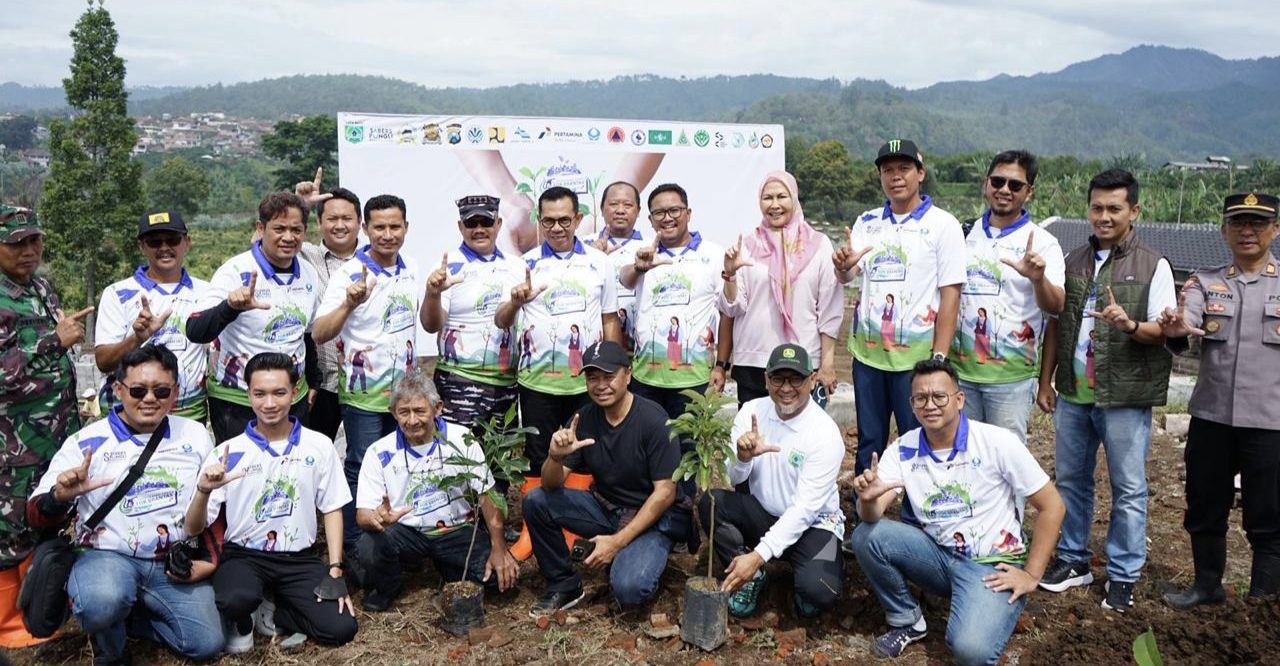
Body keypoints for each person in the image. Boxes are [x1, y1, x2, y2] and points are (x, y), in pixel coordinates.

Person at [849, 359, 1064, 665]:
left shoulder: (996, 442)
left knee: (971, 651)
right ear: (911, 404)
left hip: (990, 567)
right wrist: (868, 500)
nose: (930, 405)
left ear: (959, 400)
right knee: (867, 535)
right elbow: (872, 516)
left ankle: (990, 604)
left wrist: (1031, 574)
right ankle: (907, 619)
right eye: (921, 398)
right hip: (937, 556)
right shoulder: (903, 449)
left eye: (940, 396)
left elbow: (1052, 505)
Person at [28, 345, 222, 665]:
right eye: (137, 389)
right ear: (118, 390)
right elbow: (35, 513)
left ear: (175, 393)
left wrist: (211, 558)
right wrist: (59, 498)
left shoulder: (196, 435)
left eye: (161, 390)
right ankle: (110, 645)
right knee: (101, 602)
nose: (149, 399)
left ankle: (131, 614)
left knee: (206, 643)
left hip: (169, 560)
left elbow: (212, 505)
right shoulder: (87, 442)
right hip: (108, 557)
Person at [1036, 169, 1175, 613]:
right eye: (1097, 207)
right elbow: (1056, 325)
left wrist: (1130, 325)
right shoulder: (1073, 260)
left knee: (1128, 487)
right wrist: (1047, 380)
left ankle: (1123, 573)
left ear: (1134, 210)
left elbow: (1162, 329)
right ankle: (1075, 559)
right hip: (1075, 392)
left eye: (1115, 208)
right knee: (1071, 480)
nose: (1104, 216)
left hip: (1124, 396)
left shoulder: (1153, 265)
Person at [185, 352, 357, 653]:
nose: (269, 403)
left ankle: (276, 610)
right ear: (248, 393)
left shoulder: (319, 445)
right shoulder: (228, 451)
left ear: (295, 390)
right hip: (244, 555)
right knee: (235, 598)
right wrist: (203, 491)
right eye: (259, 393)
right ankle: (244, 616)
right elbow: (192, 528)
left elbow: (332, 508)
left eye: (279, 392)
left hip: (298, 558)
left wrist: (334, 569)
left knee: (341, 627)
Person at [1159, 192, 1280, 609]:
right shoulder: (1204, 281)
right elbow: (1186, 321)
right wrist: (1176, 326)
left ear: (1275, 230)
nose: (1248, 231)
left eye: (1258, 223)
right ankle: (1206, 585)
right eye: (1238, 223)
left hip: (1271, 422)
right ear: (1224, 230)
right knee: (1205, 504)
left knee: (1269, 513)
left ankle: (1264, 601)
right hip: (1212, 417)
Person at [522, 341, 690, 615]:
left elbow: (665, 493)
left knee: (630, 588)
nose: (601, 385)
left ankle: (637, 552)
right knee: (536, 500)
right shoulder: (584, 419)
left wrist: (618, 542)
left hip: (651, 518)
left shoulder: (654, 420)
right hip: (605, 509)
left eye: (609, 376)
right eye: (593, 378)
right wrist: (555, 457)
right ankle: (564, 584)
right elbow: (550, 485)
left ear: (628, 374)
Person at [835, 139, 967, 483]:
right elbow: (849, 275)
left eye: (904, 169)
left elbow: (950, 294)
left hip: (916, 362)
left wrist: (938, 358)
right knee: (870, 440)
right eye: (888, 170)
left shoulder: (943, 225)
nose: (896, 177)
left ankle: (920, 515)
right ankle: (867, 512)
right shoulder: (867, 222)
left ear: (920, 173)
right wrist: (842, 266)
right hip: (868, 359)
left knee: (921, 438)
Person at [353, 371, 519, 611]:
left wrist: (499, 548)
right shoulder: (379, 451)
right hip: (406, 531)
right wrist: (377, 518)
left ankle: (449, 567)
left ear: (437, 408)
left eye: (420, 411)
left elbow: (488, 496)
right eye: (404, 412)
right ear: (393, 413)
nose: (412, 420)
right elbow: (362, 513)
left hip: (456, 530)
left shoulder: (461, 439)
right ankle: (388, 586)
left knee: (500, 579)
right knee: (367, 550)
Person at [0, 205, 89, 647]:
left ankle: (41, 610)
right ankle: (8, 628)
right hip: (11, 442)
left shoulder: (40, 287)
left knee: (47, 517)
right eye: (16, 243)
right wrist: (56, 341)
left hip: (54, 433)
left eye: (34, 241)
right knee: (9, 527)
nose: (28, 250)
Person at [701, 343, 845, 618]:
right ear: (766, 379)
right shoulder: (751, 413)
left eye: (796, 379)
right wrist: (743, 457)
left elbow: (804, 510)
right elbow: (733, 479)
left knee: (820, 591)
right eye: (778, 378)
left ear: (812, 380)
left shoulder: (825, 434)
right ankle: (752, 578)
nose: (786, 388)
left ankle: (820, 565)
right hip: (765, 513)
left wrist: (757, 556)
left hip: (814, 525)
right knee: (712, 504)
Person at [312, 194, 421, 552]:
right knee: (359, 464)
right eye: (379, 227)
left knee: (398, 462)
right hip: (363, 397)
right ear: (365, 228)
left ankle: (392, 537)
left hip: (403, 397)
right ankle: (353, 545)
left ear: (406, 227)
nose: (387, 234)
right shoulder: (348, 273)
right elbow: (320, 333)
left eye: (394, 227)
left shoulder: (412, 269)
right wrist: (348, 303)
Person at [494, 186, 621, 473]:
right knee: (539, 458)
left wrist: (614, 371)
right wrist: (514, 303)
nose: (557, 228)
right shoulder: (522, 265)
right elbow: (501, 320)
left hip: (588, 383)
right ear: (539, 220)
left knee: (587, 456)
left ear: (577, 219)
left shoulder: (599, 262)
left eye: (564, 220)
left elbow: (610, 318)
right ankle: (538, 518)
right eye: (548, 221)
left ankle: (580, 517)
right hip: (537, 385)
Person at [620, 183, 728, 503]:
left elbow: (728, 313)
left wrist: (721, 365)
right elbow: (626, 278)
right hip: (645, 378)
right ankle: (645, 511)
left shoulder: (713, 255)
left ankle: (684, 517)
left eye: (674, 210)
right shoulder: (643, 252)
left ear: (688, 213)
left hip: (692, 378)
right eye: (659, 213)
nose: (667, 218)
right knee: (646, 446)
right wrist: (639, 266)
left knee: (688, 452)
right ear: (650, 219)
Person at [187, 192, 322, 443]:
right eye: (279, 228)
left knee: (289, 474)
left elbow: (305, 334)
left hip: (293, 399)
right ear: (261, 228)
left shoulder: (308, 273)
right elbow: (195, 330)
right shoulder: (234, 271)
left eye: (296, 229)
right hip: (238, 400)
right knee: (242, 476)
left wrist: (313, 381)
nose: (288, 237)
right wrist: (230, 306)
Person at [953, 151, 1065, 443]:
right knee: (964, 455)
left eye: (1015, 185)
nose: (1004, 190)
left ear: (1029, 192)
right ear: (985, 184)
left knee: (1006, 461)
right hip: (961, 375)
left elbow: (1056, 306)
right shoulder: (961, 235)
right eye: (998, 181)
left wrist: (1038, 279)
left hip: (1011, 380)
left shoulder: (1044, 243)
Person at [721, 171, 842, 405]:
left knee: (802, 437)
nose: (774, 205)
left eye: (781, 197)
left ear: (794, 199)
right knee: (755, 437)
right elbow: (734, 307)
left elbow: (829, 309)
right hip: (754, 363)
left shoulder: (818, 245)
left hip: (804, 361)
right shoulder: (746, 246)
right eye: (767, 198)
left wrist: (827, 364)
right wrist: (730, 275)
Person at [420, 195, 526, 432]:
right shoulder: (447, 266)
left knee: (501, 462)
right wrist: (433, 293)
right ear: (460, 226)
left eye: (485, 222)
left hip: (505, 382)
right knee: (458, 460)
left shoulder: (517, 265)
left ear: (498, 224)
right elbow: (431, 325)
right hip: (459, 381)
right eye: (471, 223)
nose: (479, 229)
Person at [95, 210, 212, 421]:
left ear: (187, 242)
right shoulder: (118, 294)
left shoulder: (206, 292)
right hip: (130, 413)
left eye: (173, 240)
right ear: (141, 246)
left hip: (189, 414)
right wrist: (137, 338)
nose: (164, 248)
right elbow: (103, 362)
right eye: (154, 242)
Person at [297, 171, 361, 441]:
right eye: (332, 218)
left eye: (347, 218)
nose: (339, 225)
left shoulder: (376, 260)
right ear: (319, 222)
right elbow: (261, 245)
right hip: (320, 384)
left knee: (363, 456)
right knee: (316, 454)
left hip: (365, 387)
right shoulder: (304, 255)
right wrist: (300, 204)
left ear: (360, 223)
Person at [591, 182, 647, 353]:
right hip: (595, 351)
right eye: (613, 204)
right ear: (601, 209)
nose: (620, 210)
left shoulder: (651, 248)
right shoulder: (584, 247)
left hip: (641, 350)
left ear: (638, 210)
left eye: (628, 205)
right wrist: (591, 257)